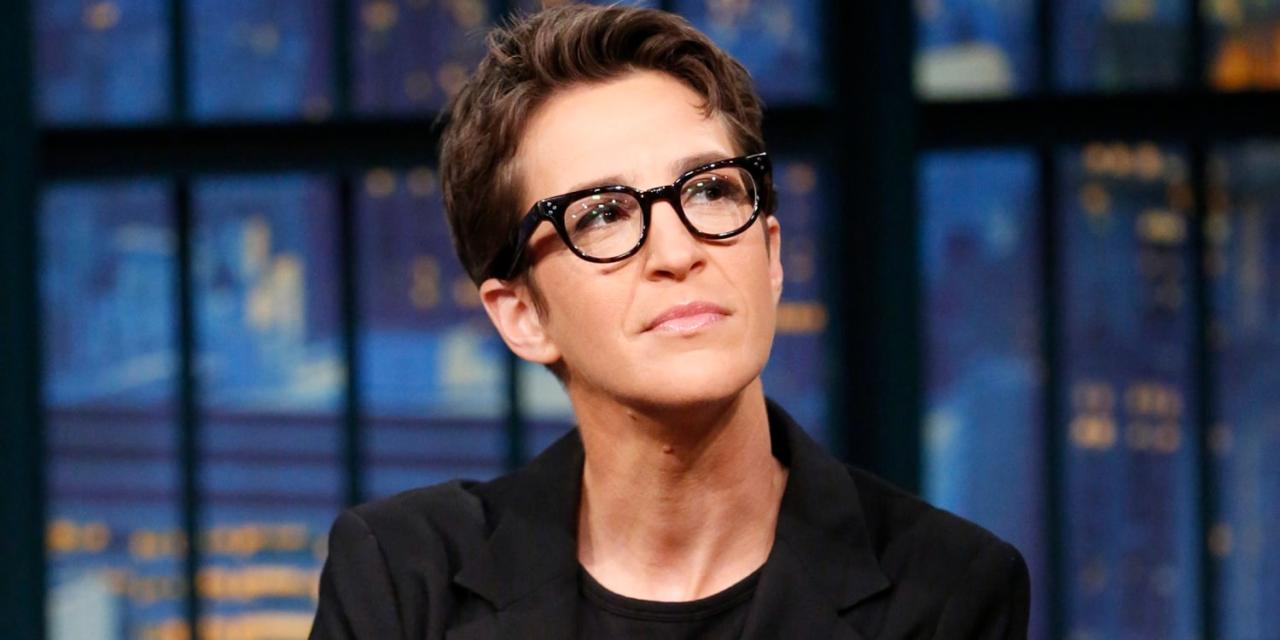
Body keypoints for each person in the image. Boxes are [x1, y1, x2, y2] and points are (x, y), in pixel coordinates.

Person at [309, 4, 1030, 639]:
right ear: (522, 316)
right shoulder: (405, 583)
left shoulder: (946, 592)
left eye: (710, 190)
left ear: (771, 255)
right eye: (602, 214)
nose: (679, 252)